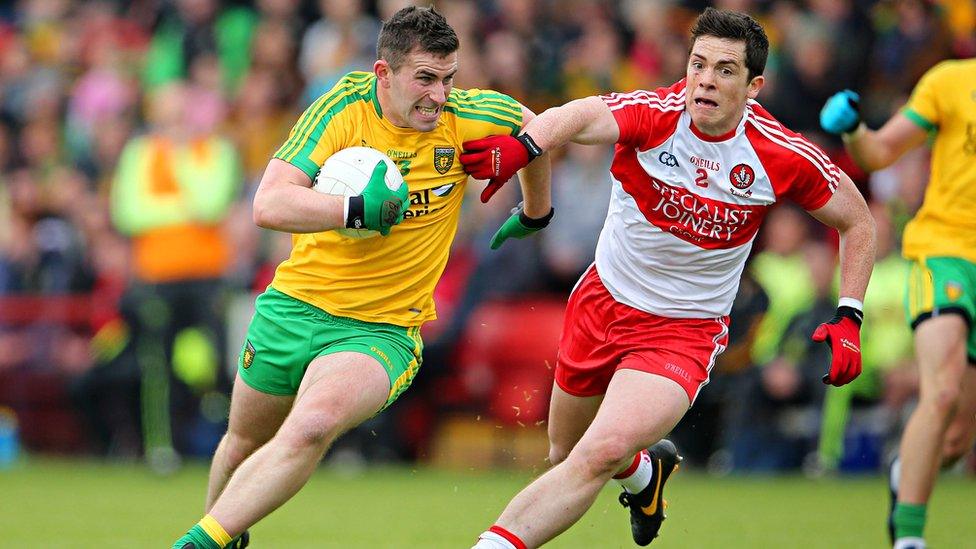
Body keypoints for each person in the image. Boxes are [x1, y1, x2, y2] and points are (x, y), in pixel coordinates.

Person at [461, 8, 876, 548]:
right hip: (602, 302)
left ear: (754, 86)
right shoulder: (656, 113)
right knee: (566, 452)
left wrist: (850, 313)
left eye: (725, 70)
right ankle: (644, 474)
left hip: (683, 332)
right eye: (697, 64)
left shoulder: (780, 152)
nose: (705, 79)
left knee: (594, 454)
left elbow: (858, 219)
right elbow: (579, 114)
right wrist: (527, 146)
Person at [171, 7, 552, 549]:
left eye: (448, 79)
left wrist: (536, 211)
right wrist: (352, 209)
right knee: (239, 444)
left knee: (311, 423)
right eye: (424, 78)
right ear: (384, 74)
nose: (439, 96)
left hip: (382, 330)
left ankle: (195, 544)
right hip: (294, 306)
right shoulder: (342, 109)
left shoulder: (469, 115)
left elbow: (538, 131)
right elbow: (268, 204)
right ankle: (223, 538)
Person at [820, 58, 976, 549]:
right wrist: (854, 131)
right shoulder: (950, 80)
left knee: (954, 442)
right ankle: (910, 538)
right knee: (943, 391)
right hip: (945, 252)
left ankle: (905, 470)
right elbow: (881, 152)